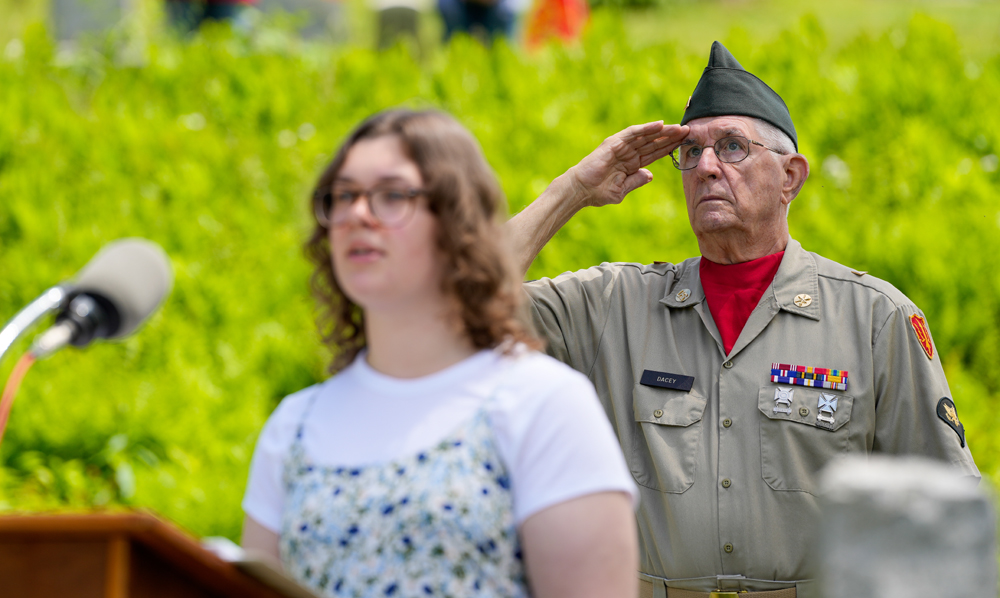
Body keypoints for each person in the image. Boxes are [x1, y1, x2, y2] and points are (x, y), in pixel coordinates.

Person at [509, 42, 980, 597]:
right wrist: (575, 190)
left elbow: (946, 512)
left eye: (731, 147)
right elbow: (454, 303)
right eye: (690, 153)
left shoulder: (875, 319)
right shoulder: (614, 307)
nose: (706, 167)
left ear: (791, 177)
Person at [240, 108, 639, 598]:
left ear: (457, 224)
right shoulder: (294, 427)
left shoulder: (543, 406)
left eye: (391, 196)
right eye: (343, 195)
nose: (358, 214)